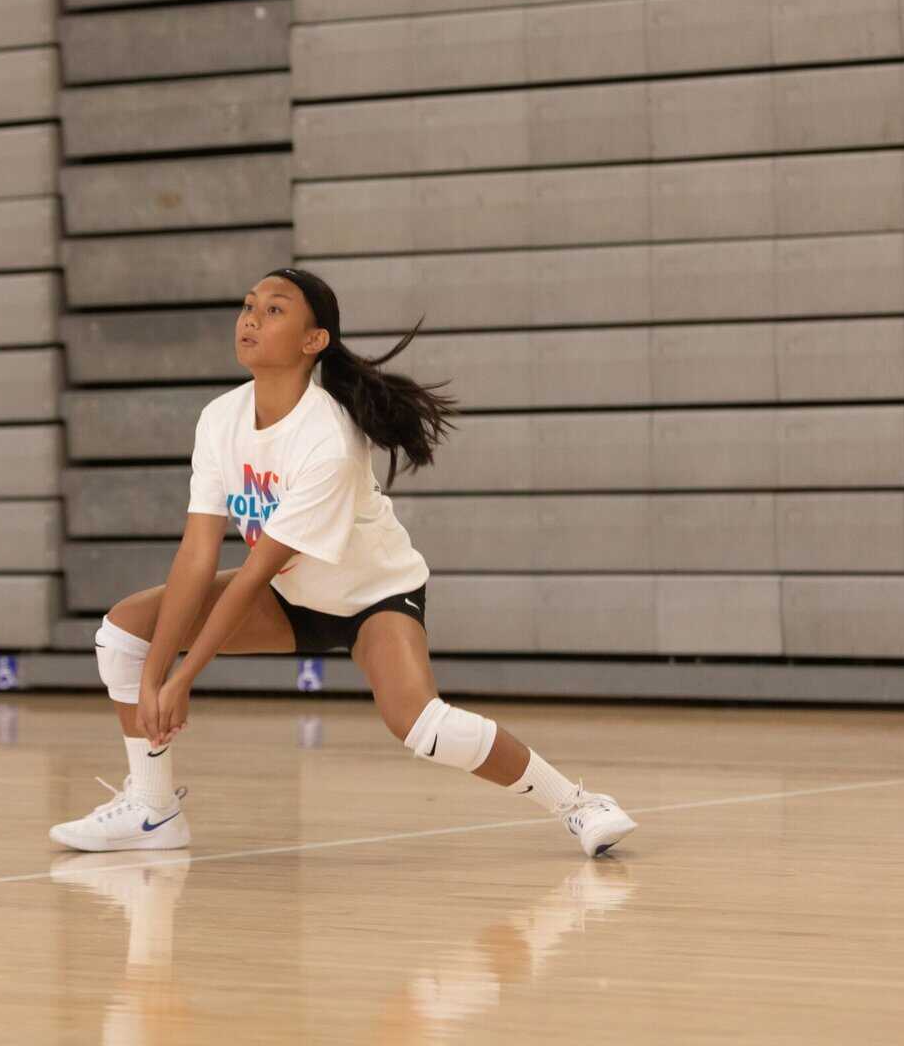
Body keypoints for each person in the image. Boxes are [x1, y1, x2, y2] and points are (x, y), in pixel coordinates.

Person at [48, 268, 637, 858]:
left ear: (314, 340)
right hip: (293, 595)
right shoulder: (220, 418)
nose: (251, 319)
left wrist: (182, 679)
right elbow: (196, 556)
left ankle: (578, 804)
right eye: (249, 306)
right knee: (123, 636)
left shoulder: (327, 438)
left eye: (274, 310)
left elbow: (254, 572)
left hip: (372, 597)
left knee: (423, 725)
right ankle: (153, 811)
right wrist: (154, 676)